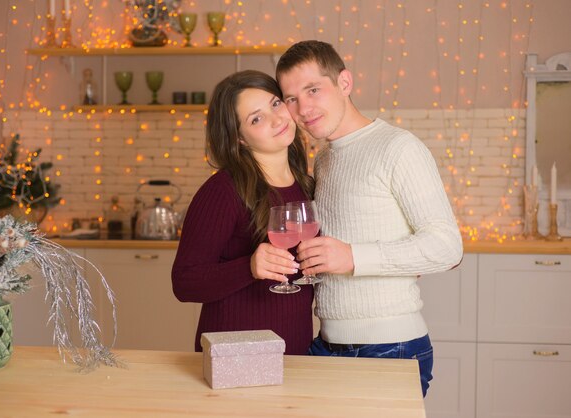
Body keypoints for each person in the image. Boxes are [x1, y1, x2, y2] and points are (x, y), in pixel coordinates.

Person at [276, 40, 463, 396]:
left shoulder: (399, 147)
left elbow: (447, 247)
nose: (303, 108)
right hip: (328, 343)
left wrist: (352, 256)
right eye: (291, 98)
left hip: (389, 349)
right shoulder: (326, 158)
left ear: (344, 83)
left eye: (313, 90)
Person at [172, 70, 315, 355]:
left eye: (276, 104)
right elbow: (184, 283)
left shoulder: (306, 183)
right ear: (240, 139)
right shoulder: (223, 190)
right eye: (256, 118)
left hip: (297, 353)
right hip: (236, 358)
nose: (277, 119)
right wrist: (248, 267)